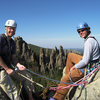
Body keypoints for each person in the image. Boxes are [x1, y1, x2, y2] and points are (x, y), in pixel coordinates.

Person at [50, 22, 100, 100]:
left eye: (82, 30)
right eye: (79, 31)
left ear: (88, 29)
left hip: (89, 65)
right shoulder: (90, 38)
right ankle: (67, 78)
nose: (80, 33)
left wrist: (75, 66)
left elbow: (85, 61)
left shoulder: (89, 42)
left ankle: (57, 97)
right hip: (90, 60)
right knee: (70, 55)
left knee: (65, 79)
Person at [0, 19, 35, 100]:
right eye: (10, 28)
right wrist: (7, 68)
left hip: (10, 68)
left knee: (28, 76)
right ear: (5, 28)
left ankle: (30, 97)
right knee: (14, 93)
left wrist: (19, 65)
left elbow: (13, 57)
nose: (11, 30)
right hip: (1, 70)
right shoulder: (1, 39)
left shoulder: (12, 42)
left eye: (13, 29)